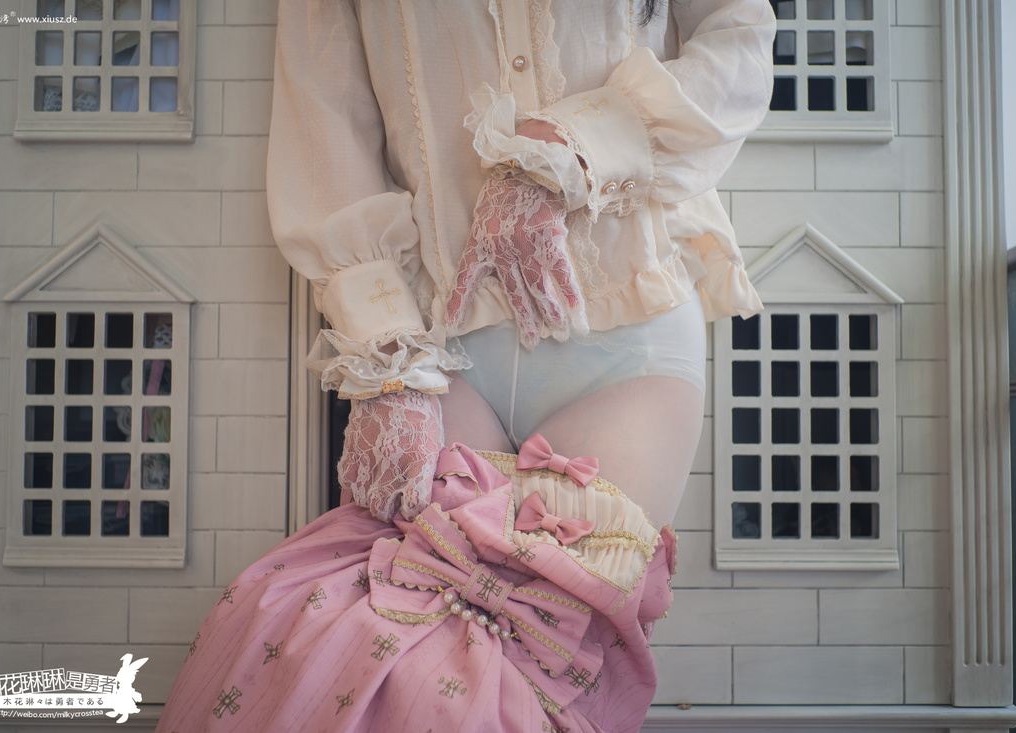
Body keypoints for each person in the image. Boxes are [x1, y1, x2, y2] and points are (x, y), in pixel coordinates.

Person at [155, 1, 774, 731]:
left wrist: (573, 147)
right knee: (382, 661)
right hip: (439, 348)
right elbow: (325, 135)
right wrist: (388, 360)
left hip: (629, 333)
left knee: (529, 682)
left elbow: (739, 41)